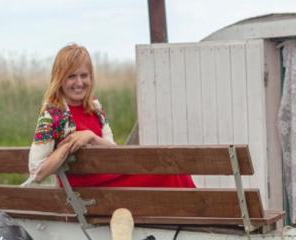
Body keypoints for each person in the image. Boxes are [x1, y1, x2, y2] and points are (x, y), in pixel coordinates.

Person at [25, 44, 195, 188]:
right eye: (71, 77)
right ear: (60, 80)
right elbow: (37, 173)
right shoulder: (52, 116)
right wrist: (68, 146)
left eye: (84, 75)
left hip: (109, 179)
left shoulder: (95, 109)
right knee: (167, 174)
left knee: (175, 169)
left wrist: (90, 137)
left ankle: (201, 219)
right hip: (89, 191)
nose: (79, 83)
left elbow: (114, 152)